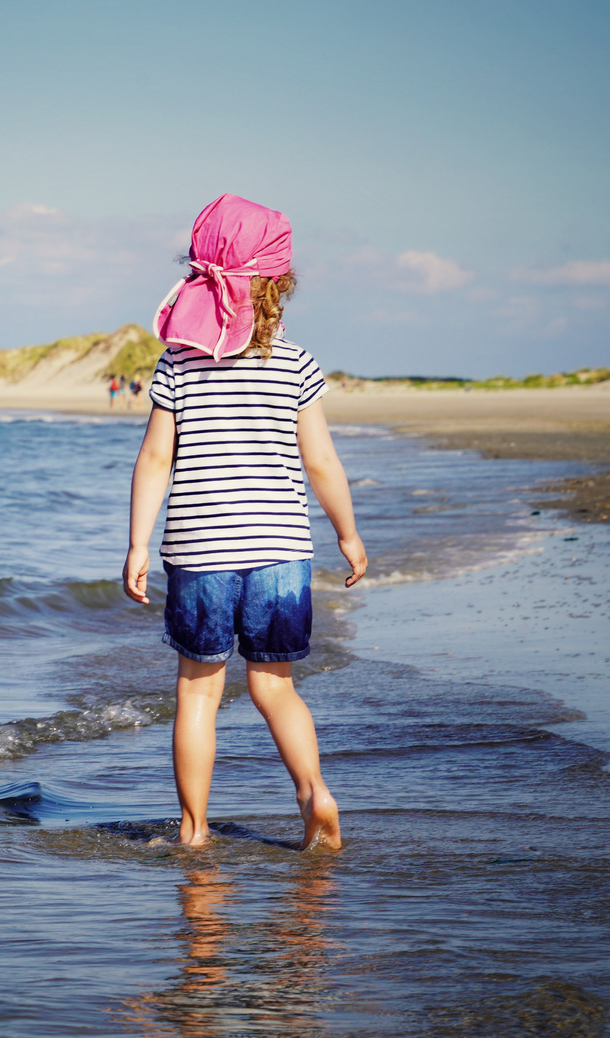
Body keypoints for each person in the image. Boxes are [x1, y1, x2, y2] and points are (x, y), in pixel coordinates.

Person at [122, 193, 367, 850]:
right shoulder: (295, 362)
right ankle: (314, 792)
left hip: (199, 551)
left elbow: (155, 458)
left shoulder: (179, 364)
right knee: (275, 687)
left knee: (198, 694)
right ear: (278, 284)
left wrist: (137, 544)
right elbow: (321, 461)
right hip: (282, 550)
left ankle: (194, 830)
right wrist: (347, 532)